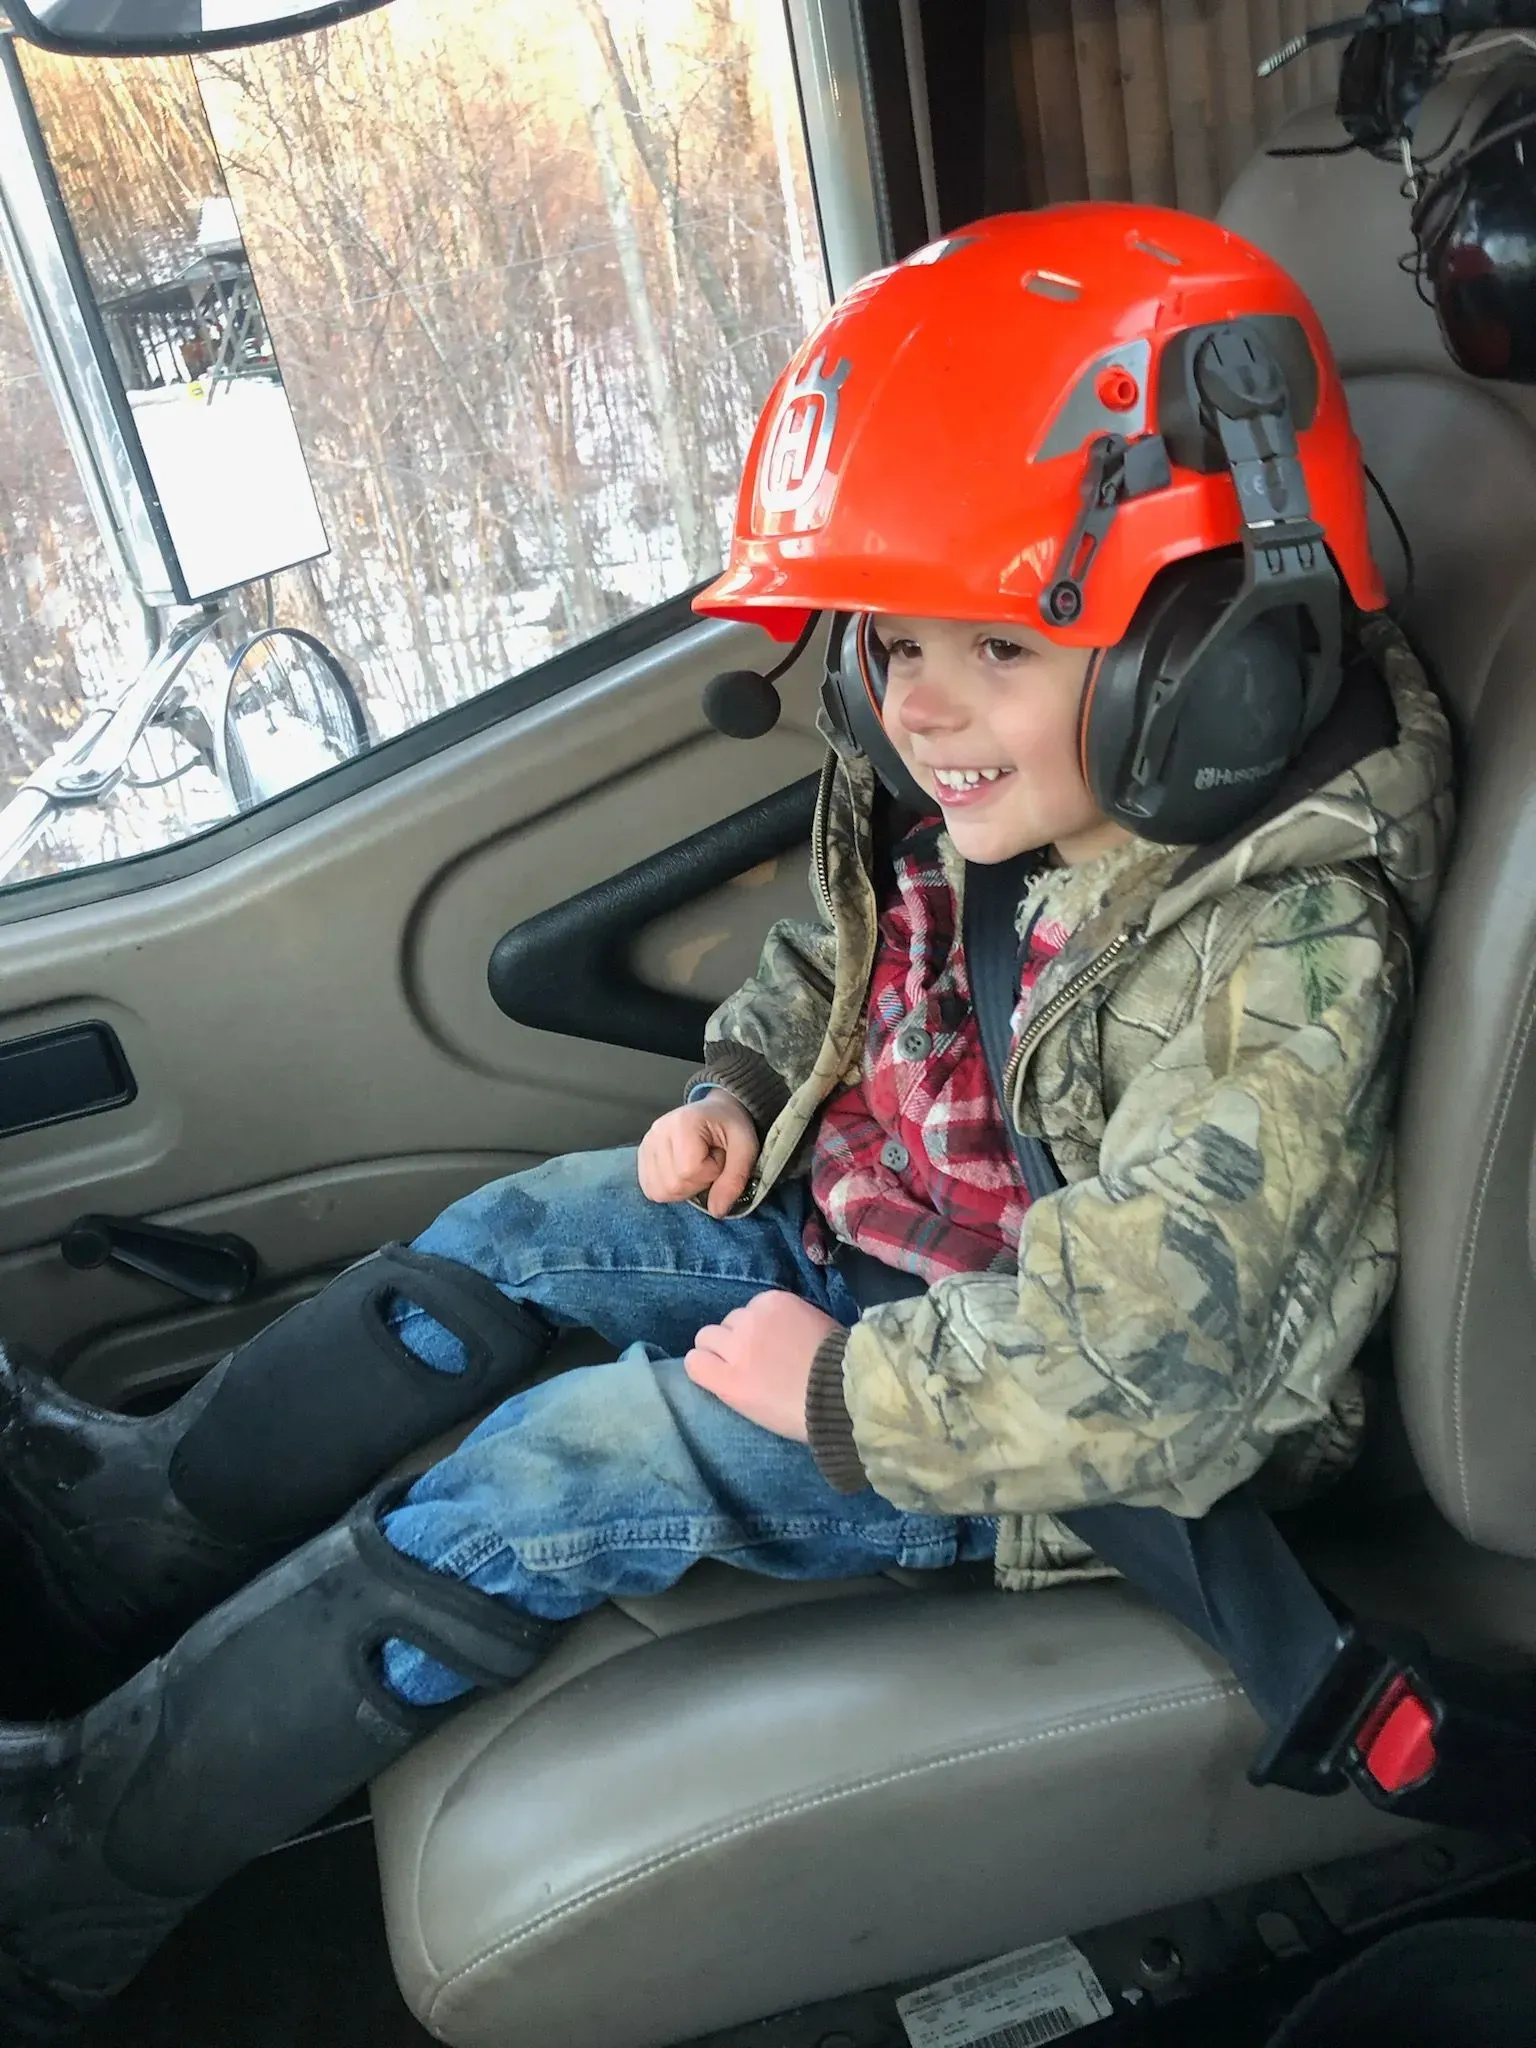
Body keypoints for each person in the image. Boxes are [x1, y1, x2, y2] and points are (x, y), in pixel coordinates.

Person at [0, 201, 1452, 2037]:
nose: (919, 710)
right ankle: (125, 1538)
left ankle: (77, 1872)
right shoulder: (1010, 792)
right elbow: (851, 951)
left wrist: (834, 1394)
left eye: (991, 653)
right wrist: (746, 1084)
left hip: (1036, 1426)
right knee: (534, 1226)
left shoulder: (1282, 948)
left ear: (1218, 656)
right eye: (889, 651)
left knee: (566, 1467)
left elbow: (1167, 1360)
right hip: (872, 1244)